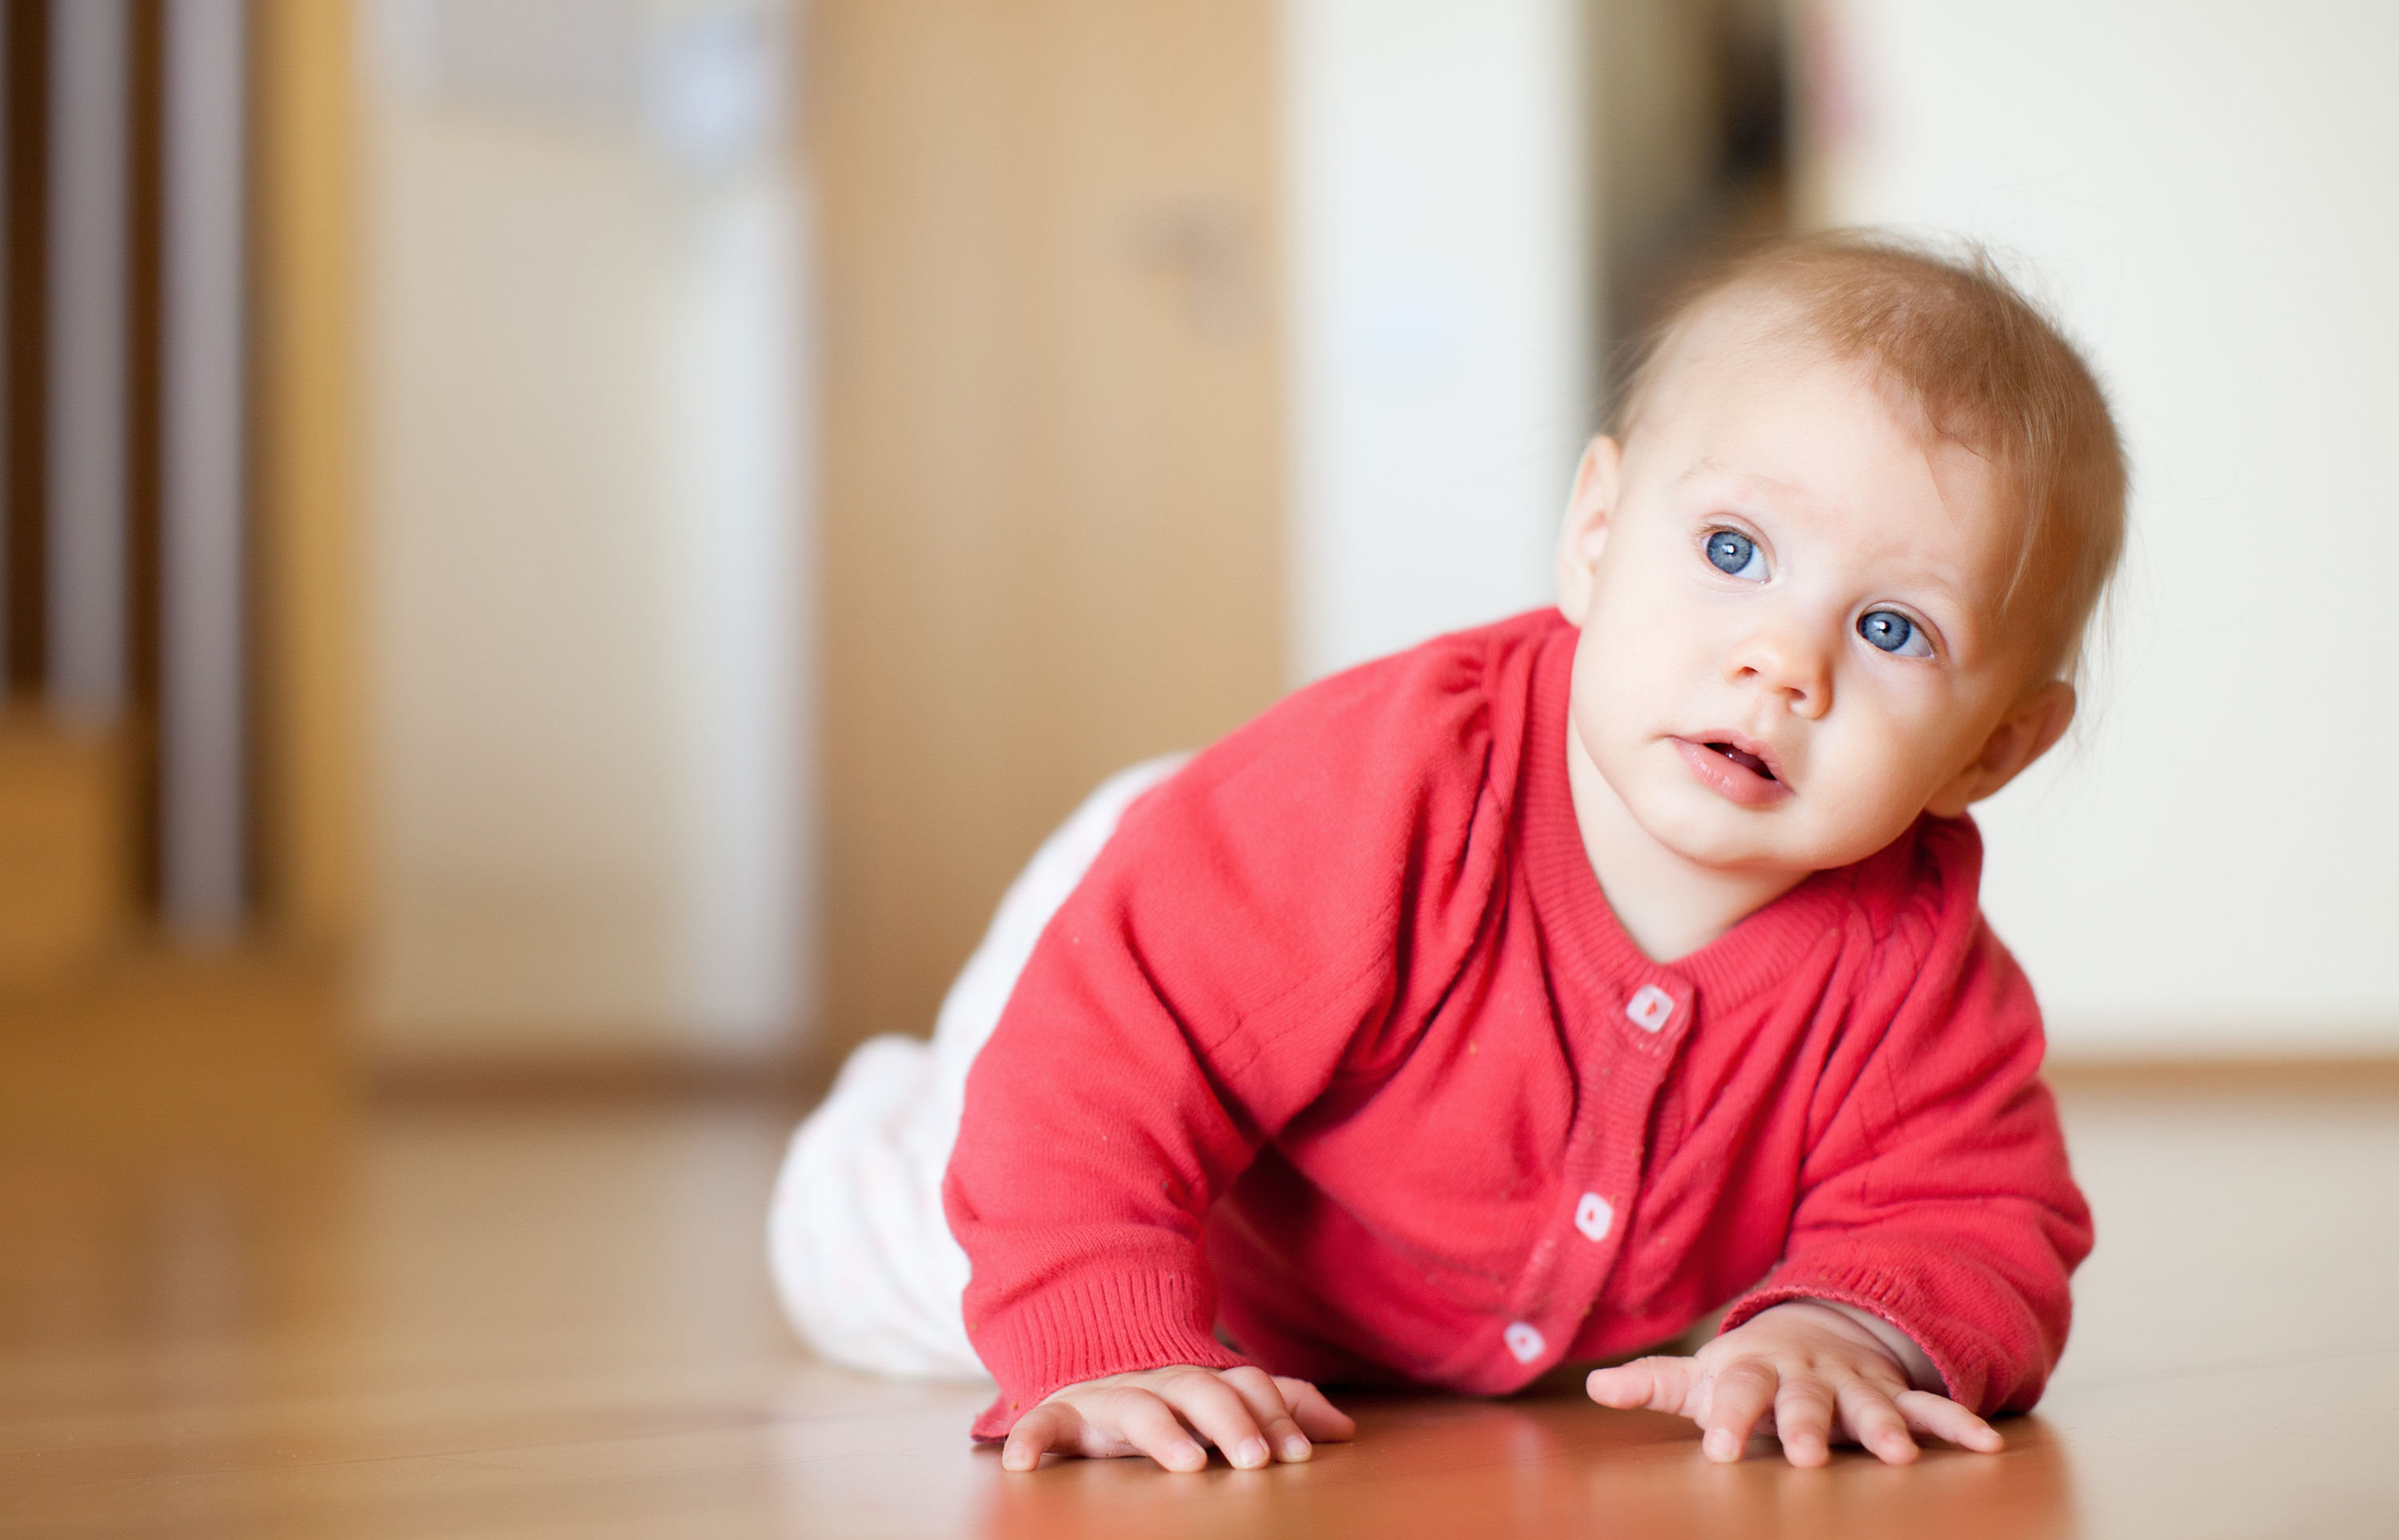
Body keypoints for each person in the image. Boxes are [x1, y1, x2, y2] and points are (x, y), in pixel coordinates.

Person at [768, 230, 2122, 1474]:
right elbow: (1095, 1066)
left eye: (1893, 632)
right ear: (1594, 536)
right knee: (949, 1273)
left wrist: (1848, 1329)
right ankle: (888, 1133)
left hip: (1379, 1214)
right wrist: (1108, 1339)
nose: (1784, 662)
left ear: (1991, 752)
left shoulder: (1911, 963)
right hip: (1167, 936)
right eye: (1731, 549)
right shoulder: (1390, 799)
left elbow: (1969, 1212)